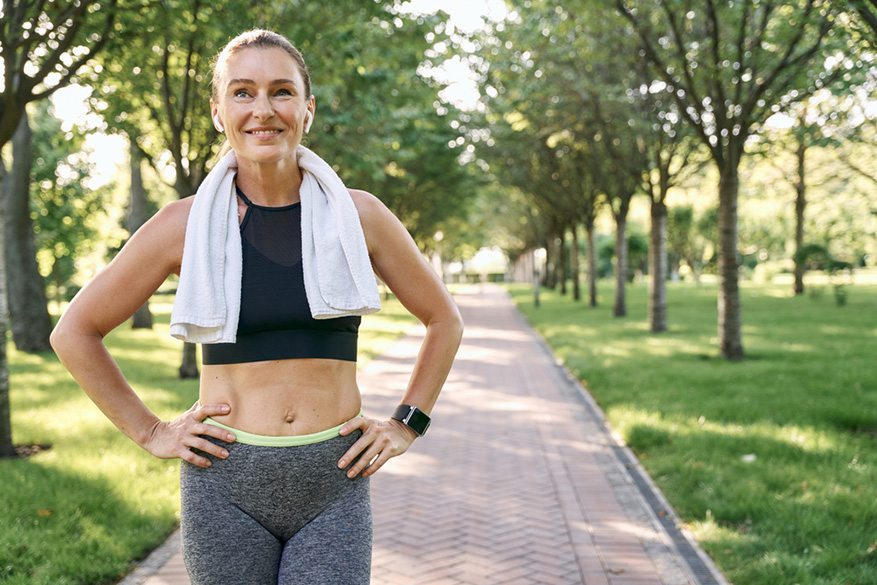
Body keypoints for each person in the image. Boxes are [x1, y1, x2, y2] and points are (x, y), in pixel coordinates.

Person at [50, 29, 463, 585]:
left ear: (307, 109)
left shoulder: (360, 217)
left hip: (332, 481)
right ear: (219, 111)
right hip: (224, 482)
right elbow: (74, 331)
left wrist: (407, 424)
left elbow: (444, 320)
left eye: (281, 92)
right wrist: (150, 432)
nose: (262, 110)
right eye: (242, 93)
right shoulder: (183, 224)